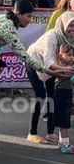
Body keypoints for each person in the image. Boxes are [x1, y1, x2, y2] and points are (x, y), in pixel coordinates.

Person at [26, 12, 74, 145]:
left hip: (54, 67)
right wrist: (65, 70)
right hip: (34, 62)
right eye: (70, 25)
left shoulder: (69, 37)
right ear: (63, 24)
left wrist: (64, 69)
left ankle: (50, 133)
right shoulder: (51, 36)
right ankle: (32, 133)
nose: (73, 29)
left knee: (52, 96)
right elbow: (48, 62)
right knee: (40, 96)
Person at [53, 44, 74, 154]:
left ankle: (61, 142)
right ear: (60, 56)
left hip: (66, 93)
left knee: (64, 119)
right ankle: (65, 144)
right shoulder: (60, 66)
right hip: (62, 93)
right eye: (69, 55)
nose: (72, 57)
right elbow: (64, 75)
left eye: (73, 55)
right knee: (64, 120)